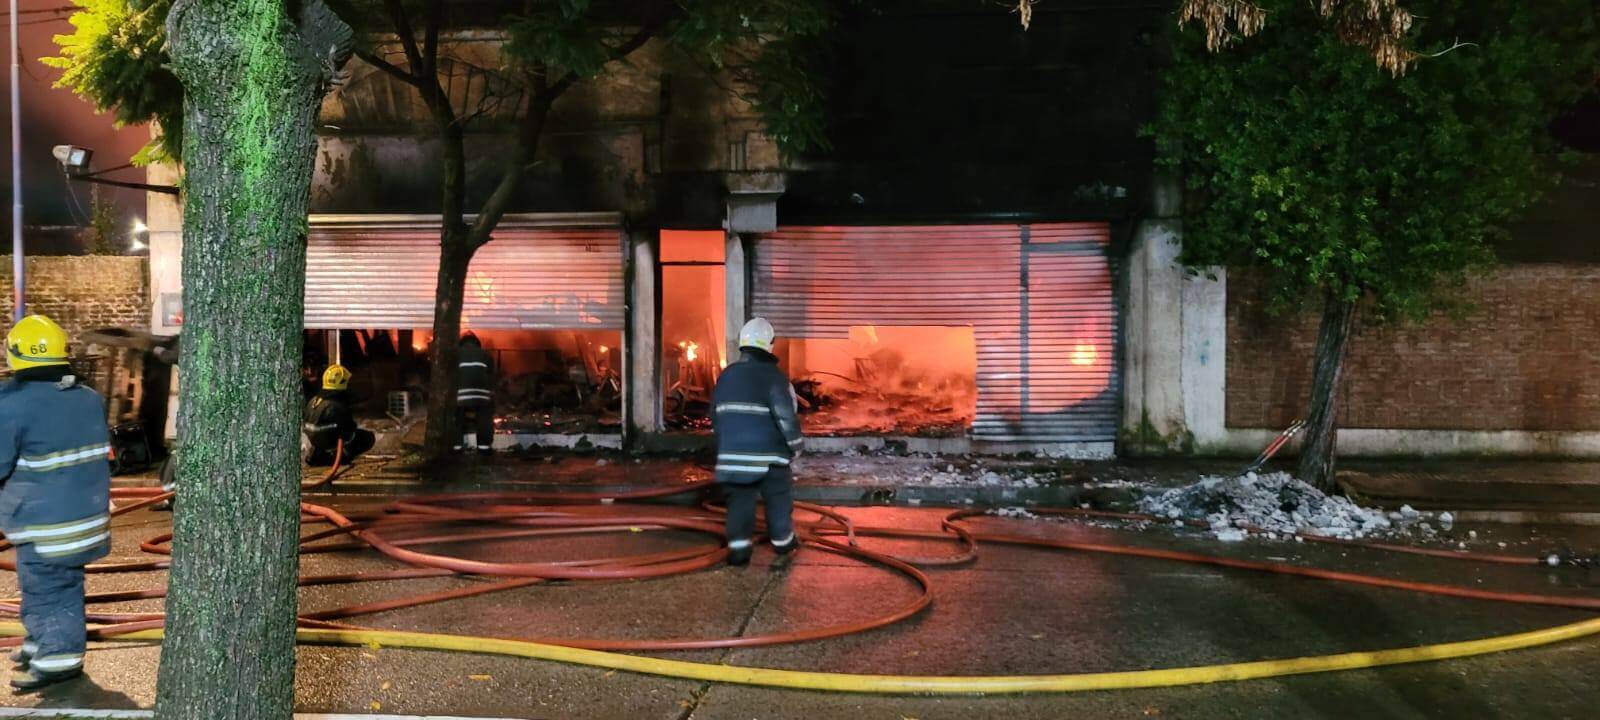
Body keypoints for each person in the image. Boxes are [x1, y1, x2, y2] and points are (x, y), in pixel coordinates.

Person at [0, 315, 112, 691]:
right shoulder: (88, 398)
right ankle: (39, 643)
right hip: (86, 520)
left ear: (16, 354)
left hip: (45, 525)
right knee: (45, 585)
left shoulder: (13, 404)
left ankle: (58, 660)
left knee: (50, 589)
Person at [711, 317, 804, 566]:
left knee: (739, 502)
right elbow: (785, 417)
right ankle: (783, 543)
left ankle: (739, 550)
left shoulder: (726, 375)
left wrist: (726, 447)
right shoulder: (774, 377)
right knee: (778, 497)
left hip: (732, 458)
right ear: (770, 344)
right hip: (769, 457)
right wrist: (796, 446)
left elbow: (716, 417)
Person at [302, 364, 375, 467]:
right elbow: (349, 431)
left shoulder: (314, 400)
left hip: (313, 442)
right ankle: (336, 458)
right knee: (367, 438)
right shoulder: (336, 405)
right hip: (326, 443)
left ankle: (320, 455)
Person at [455, 332, 496, 454]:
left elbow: (450, 376)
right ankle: (484, 447)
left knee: (456, 417)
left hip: (460, 395)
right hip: (481, 395)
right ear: (478, 344)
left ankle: (456, 446)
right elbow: (491, 376)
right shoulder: (486, 355)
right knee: (484, 417)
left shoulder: (456, 355)